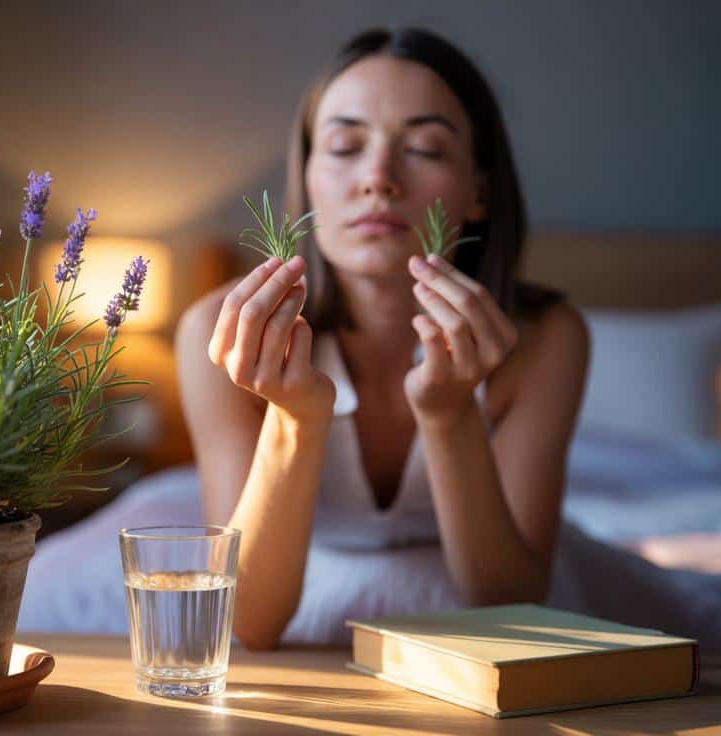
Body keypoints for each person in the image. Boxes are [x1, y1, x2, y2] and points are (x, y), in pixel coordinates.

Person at [175, 28, 590, 651]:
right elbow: (248, 620)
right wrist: (297, 417)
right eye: (344, 146)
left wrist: (450, 416)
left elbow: (508, 603)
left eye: (424, 148)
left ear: (479, 190)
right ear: (309, 177)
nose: (378, 177)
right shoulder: (222, 331)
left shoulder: (547, 339)